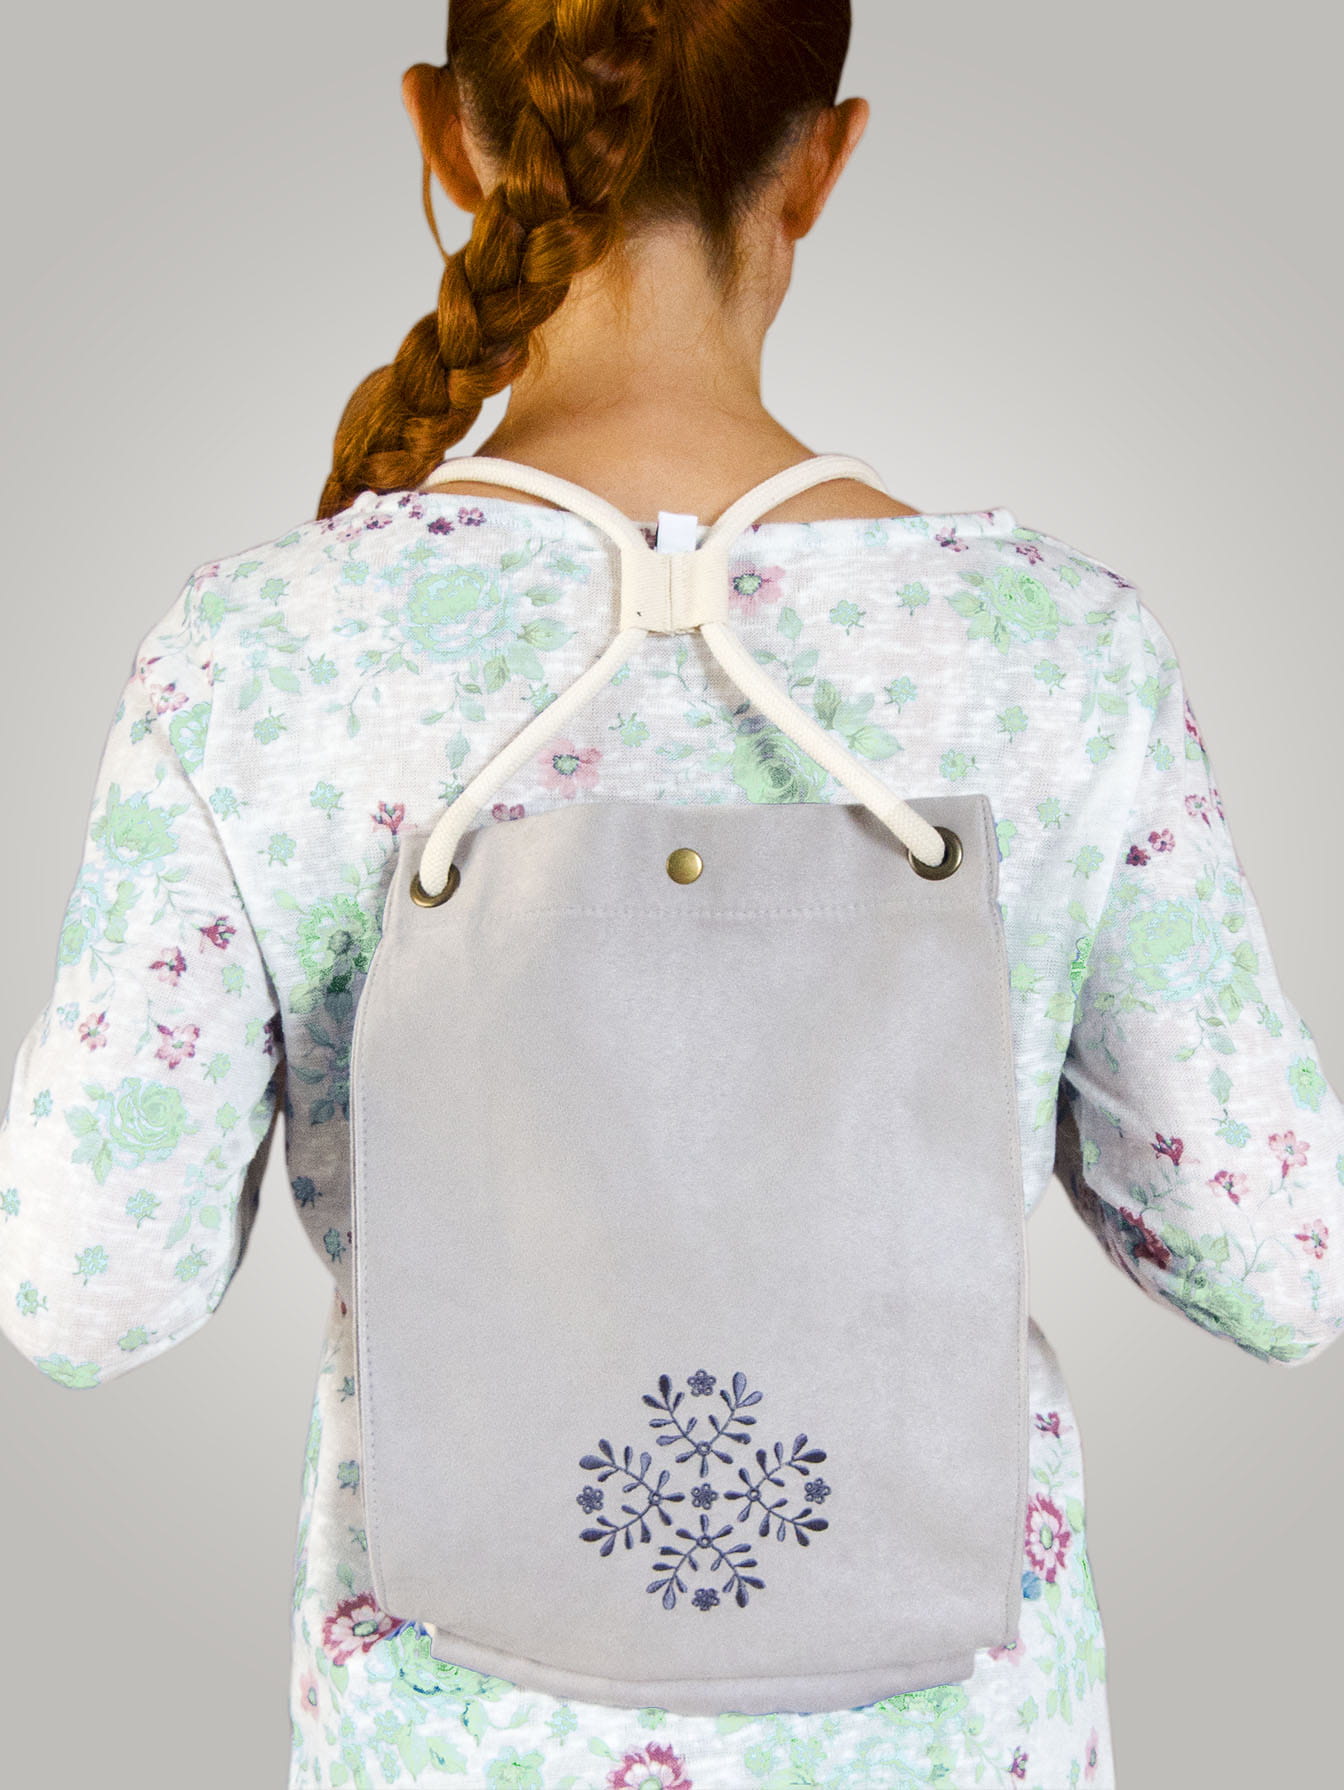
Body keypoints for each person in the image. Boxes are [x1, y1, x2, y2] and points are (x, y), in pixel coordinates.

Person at [1, 4, 1340, 1787]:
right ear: (824, 159)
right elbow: (1281, 1265)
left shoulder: (259, 657)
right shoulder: (1054, 651)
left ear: (448, 135)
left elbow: (87, 1284)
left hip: (459, 1743)